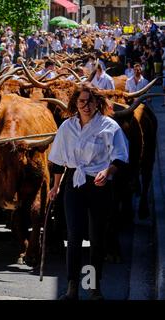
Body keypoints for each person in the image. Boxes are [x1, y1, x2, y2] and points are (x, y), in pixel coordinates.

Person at [48, 84, 129, 300]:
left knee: (96, 237)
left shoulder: (109, 126)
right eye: (82, 101)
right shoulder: (67, 127)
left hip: (99, 186)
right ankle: (72, 287)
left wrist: (108, 170)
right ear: (75, 102)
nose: (86, 105)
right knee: (73, 237)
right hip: (73, 185)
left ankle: (94, 287)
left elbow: (120, 156)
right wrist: (55, 187)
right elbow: (57, 160)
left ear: (97, 103)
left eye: (90, 101)